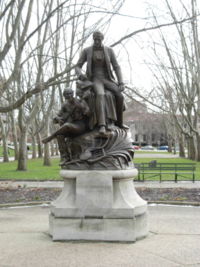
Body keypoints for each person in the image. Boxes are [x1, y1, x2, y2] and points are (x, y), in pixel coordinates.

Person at [75, 31, 127, 135]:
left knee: (120, 96)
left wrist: (121, 82)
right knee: (100, 95)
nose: (97, 41)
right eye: (95, 39)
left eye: (99, 39)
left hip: (107, 79)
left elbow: (116, 67)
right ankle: (102, 125)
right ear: (93, 39)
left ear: (102, 39)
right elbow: (77, 66)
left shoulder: (109, 50)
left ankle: (119, 122)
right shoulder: (87, 51)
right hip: (94, 79)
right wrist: (80, 75)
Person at [42, 88, 90, 162]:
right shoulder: (65, 105)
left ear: (73, 93)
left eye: (70, 93)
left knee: (67, 125)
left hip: (81, 126)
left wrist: (82, 107)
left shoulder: (80, 101)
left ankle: (51, 137)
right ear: (64, 96)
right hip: (71, 127)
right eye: (66, 94)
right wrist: (57, 119)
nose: (69, 95)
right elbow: (56, 118)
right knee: (59, 136)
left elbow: (88, 112)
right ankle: (65, 157)